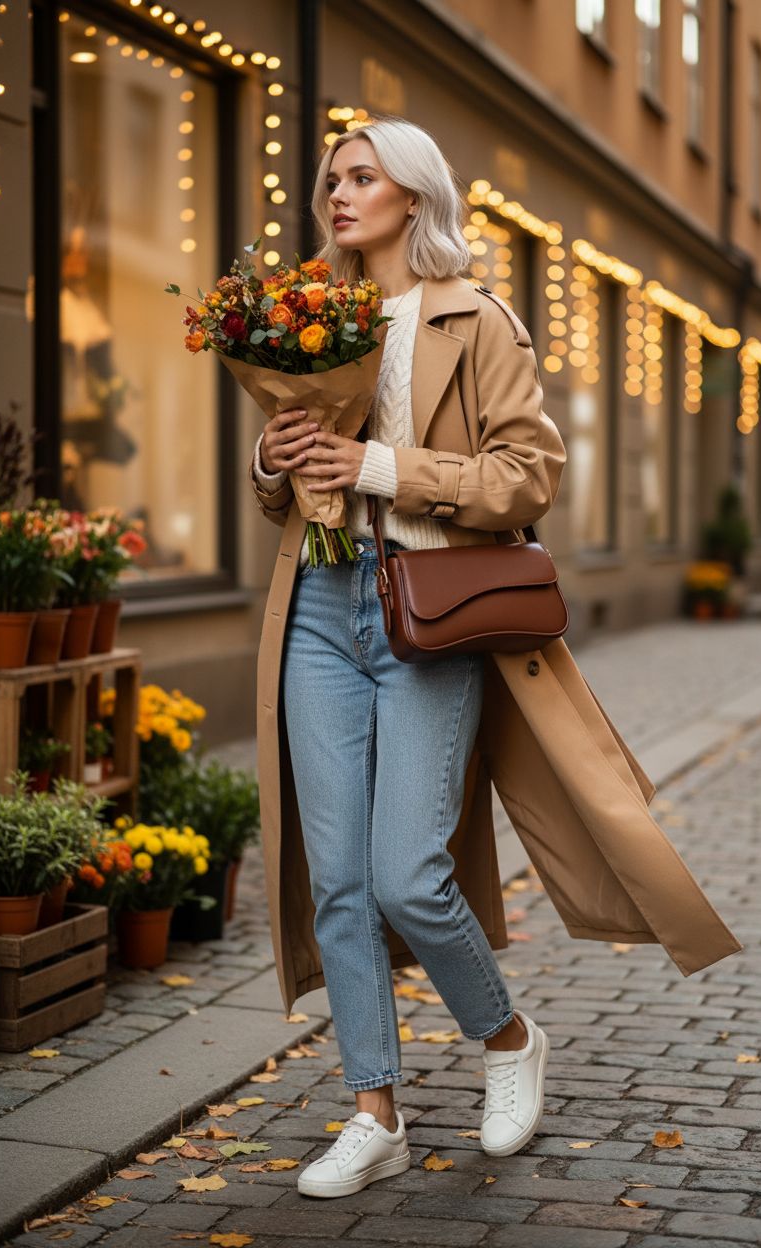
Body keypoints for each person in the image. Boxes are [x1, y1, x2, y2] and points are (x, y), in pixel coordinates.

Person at [251, 116, 567, 1198]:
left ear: (414, 195)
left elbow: (527, 476)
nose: (334, 193)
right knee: (335, 878)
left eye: (359, 176)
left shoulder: (475, 318)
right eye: (328, 177)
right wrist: (271, 454)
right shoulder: (308, 320)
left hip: (425, 611)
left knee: (406, 875)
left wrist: (380, 464)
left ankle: (508, 1037)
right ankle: (372, 1108)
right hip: (316, 612)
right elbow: (278, 495)